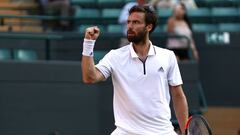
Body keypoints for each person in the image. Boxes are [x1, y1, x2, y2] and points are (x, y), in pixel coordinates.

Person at [81, 5, 188, 135]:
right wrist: (88, 44)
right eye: (128, 22)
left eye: (136, 22)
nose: (130, 26)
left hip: (163, 131)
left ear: (149, 27)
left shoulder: (168, 56)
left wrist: (185, 131)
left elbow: (178, 96)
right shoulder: (115, 56)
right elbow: (89, 77)